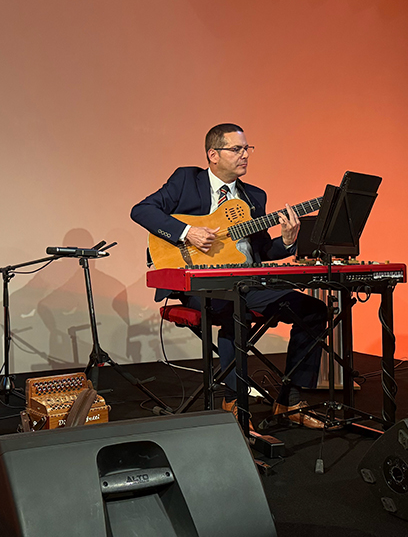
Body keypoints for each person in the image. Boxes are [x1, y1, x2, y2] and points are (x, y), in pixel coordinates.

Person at [130, 123, 327, 429]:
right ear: (213, 154)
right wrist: (187, 232)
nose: (245, 155)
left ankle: (289, 400)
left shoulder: (254, 196)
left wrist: (288, 242)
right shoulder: (186, 180)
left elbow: (263, 250)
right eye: (236, 149)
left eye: (247, 149)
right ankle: (232, 401)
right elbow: (141, 210)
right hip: (199, 282)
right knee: (235, 308)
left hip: (247, 281)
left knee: (314, 310)